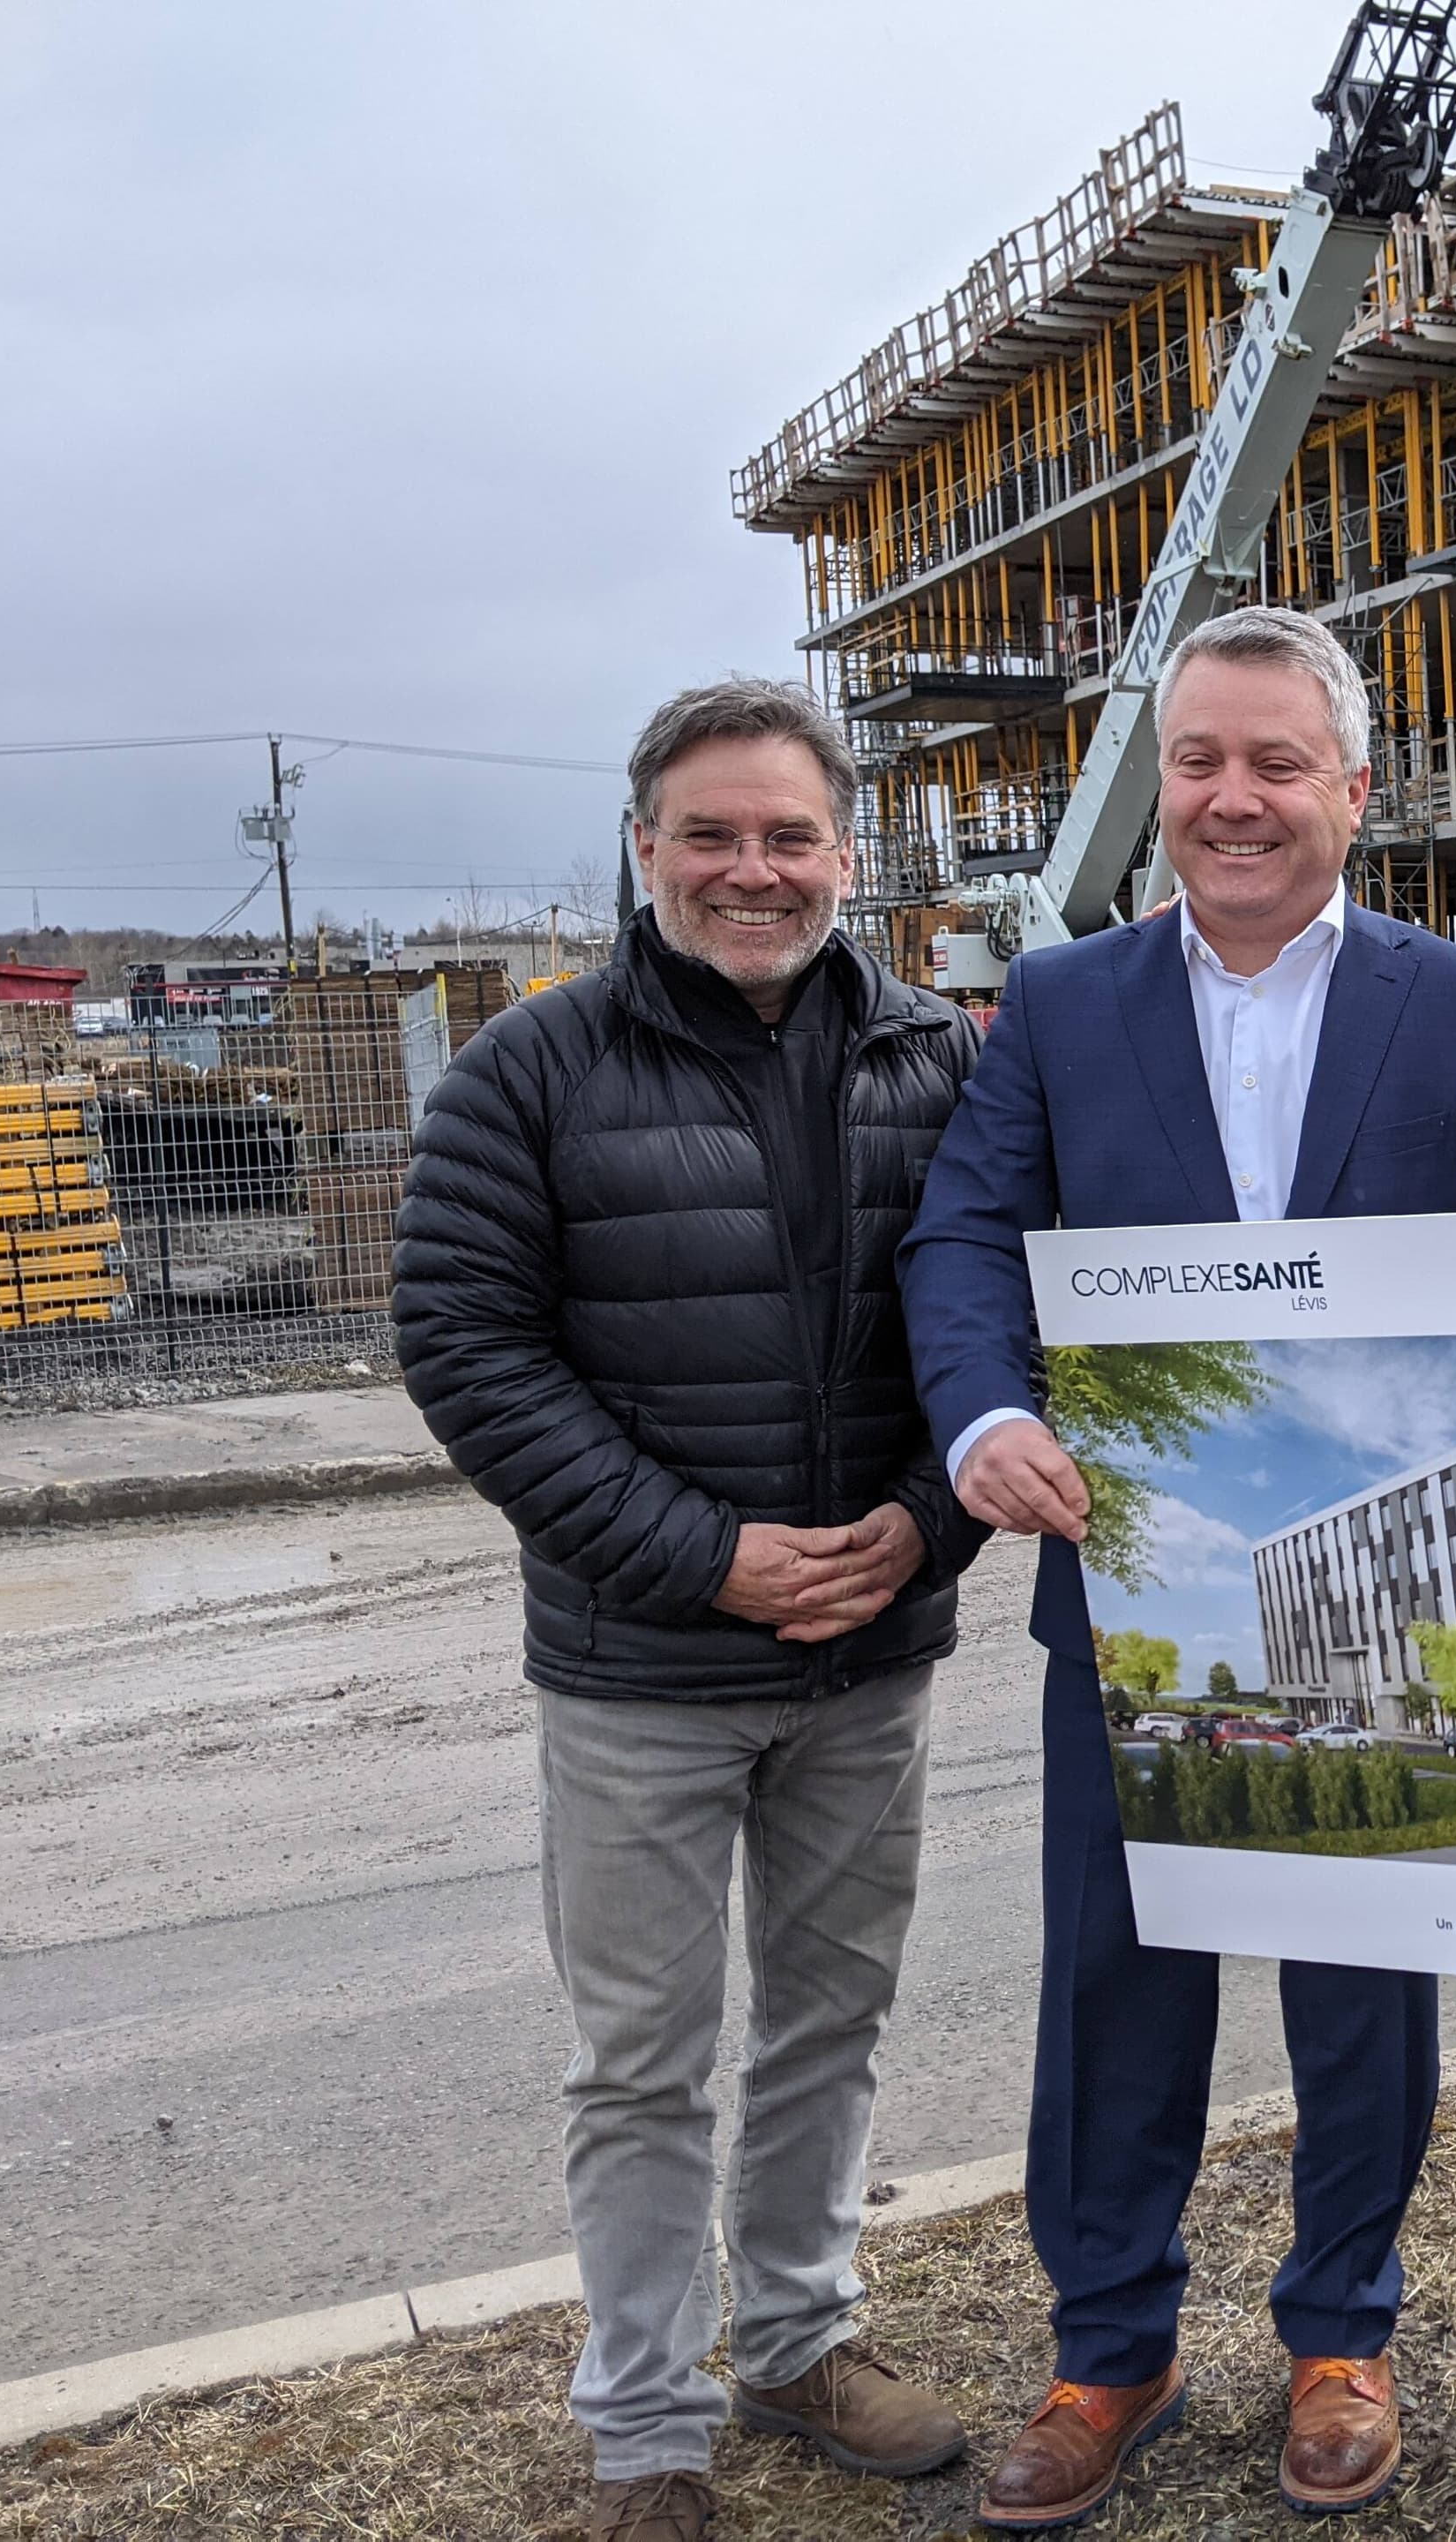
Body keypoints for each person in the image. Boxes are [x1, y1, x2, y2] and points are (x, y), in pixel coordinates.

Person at [896, 605, 1456, 2530]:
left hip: (1364, 1574)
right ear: (1157, 790)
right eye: (1200, 761)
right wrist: (980, 1423)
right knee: (1116, 1982)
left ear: (1357, 791)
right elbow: (963, 1243)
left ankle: (1342, 2331)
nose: (1233, 799)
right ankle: (1108, 2345)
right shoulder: (1066, 1003)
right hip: (1124, 1580)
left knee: (1367, 1981)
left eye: (1278, 763)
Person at [393, 679, 987, 2542]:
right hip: (642, 1670)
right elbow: (469, 1352)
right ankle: (646, 2431)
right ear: (644, 846)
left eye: (791, 836)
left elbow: (991, 1338)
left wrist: (917, 1528)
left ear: (847, 853)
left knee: (831, 2021)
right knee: (643, 2061)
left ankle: (803, 2341)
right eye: (712, 835)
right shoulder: (531, 1075)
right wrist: (701, 1555)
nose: (754, 870)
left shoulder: (934, 1061)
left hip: (868, 1660)